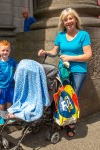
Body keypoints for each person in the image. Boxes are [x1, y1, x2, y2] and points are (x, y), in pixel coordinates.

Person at [38, 8, 92, 137]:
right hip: (64, 70)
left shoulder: (83, 35)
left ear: (75, 19)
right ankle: (61, 119)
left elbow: (88, 55)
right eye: (65, 19)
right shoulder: (60, 35)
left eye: (70, 18)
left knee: (73, 97)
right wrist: (46, 52)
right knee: (62, 96)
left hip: (79, 71)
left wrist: (69, 57)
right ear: (63, 22)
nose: (68, 21)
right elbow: (55, 51)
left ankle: (71, 125)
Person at [0, 40, 18, 125]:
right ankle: (1, 117)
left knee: (9, 102)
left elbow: (19, 67)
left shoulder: (12, 61)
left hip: (11, 86)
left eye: (7, 50)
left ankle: (9, 115)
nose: (5, 52)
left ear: (10, 51)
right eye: (3, 50)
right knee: (1, 103)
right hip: (2, 87)